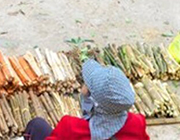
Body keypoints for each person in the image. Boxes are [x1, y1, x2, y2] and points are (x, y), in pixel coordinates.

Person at [21, 59, 149, 140]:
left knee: (37, 125)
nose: (83, 87)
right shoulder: (137, 123)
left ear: (93, 101)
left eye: (86, 84)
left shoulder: (71, 128)